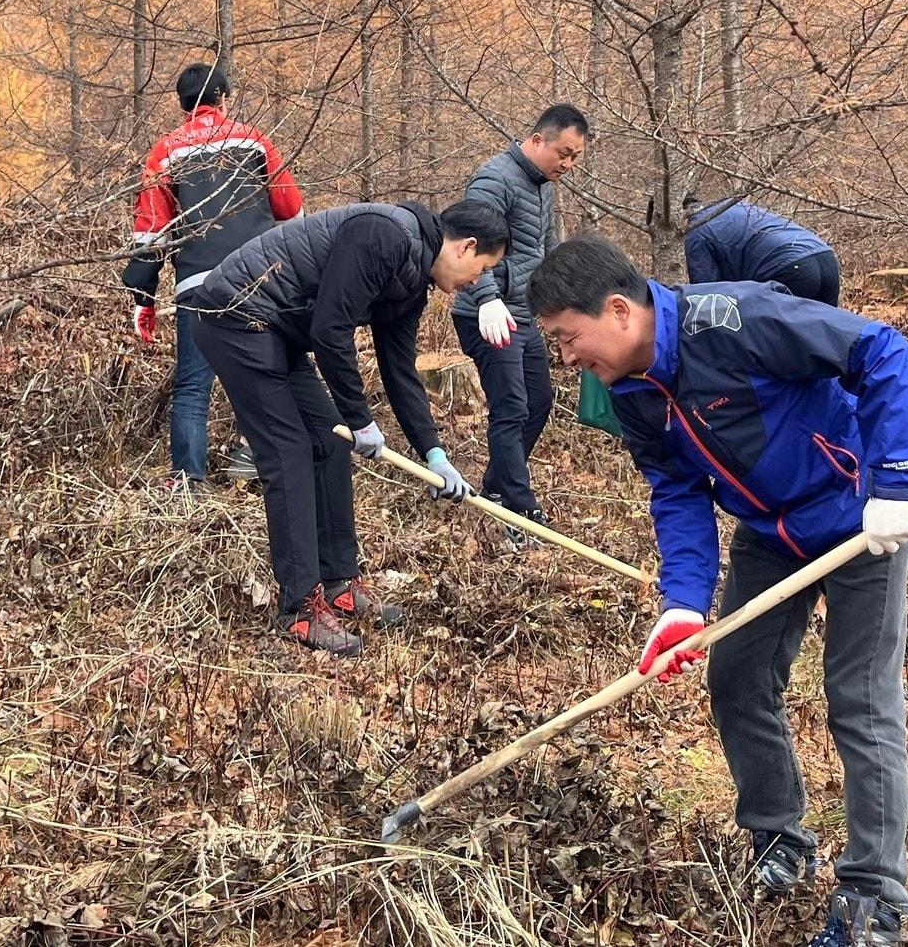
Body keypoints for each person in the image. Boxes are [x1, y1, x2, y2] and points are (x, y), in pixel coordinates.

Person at [527, 236, 908, 947]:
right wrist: (682, 605)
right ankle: (779, 839)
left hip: (857, 520)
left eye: (568, 337)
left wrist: (897, 482)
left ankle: (875, 910)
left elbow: (881, 350)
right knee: (738, 678)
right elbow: (676, 491)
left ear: (618, 311)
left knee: (860, 703)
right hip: (770, 533)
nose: (569, 357)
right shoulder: (631, 391)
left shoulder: (736, 320)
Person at [189, 200, 508, 657]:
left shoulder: (412, 281)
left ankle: (339, 581)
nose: (477, 281)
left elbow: (400, 371)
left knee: (329, 444)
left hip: (278, 331)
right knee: (290, 451)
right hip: (235, 316)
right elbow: (331, 329)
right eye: (482, 269)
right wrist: (359, 418)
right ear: (466, 247)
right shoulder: (383, 236)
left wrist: (434, 453)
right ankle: (299, 607)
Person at [122, 63, 304, 492]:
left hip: (197, 285)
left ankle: (188, 482)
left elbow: (152, 230)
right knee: (261, 370)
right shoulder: (255, 140)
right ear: (223, 97)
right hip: (257, 277)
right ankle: (254, 458)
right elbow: (291, 208)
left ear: (183, 104)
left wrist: (142, 296)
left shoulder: (165, 152)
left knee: (191, 385)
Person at [451, 104, 589, 546]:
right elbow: (468, 245)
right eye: (563, 153)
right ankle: (518, 509)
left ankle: (495, 485)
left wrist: (571, 294)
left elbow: (548, 248)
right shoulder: (494, 179)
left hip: (523, 313)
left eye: (575, 158)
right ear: (536, 141)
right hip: (486, 314)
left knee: (539, 402)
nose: (567, 164)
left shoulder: (543, 186)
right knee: (510, 407)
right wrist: (488, 299)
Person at [684, 197, 840, 306]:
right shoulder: (731, 205)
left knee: (777, 343)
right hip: (825, 257)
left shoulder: (695, 230)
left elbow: (707, 293)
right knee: (826, 339)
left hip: (789, 267)